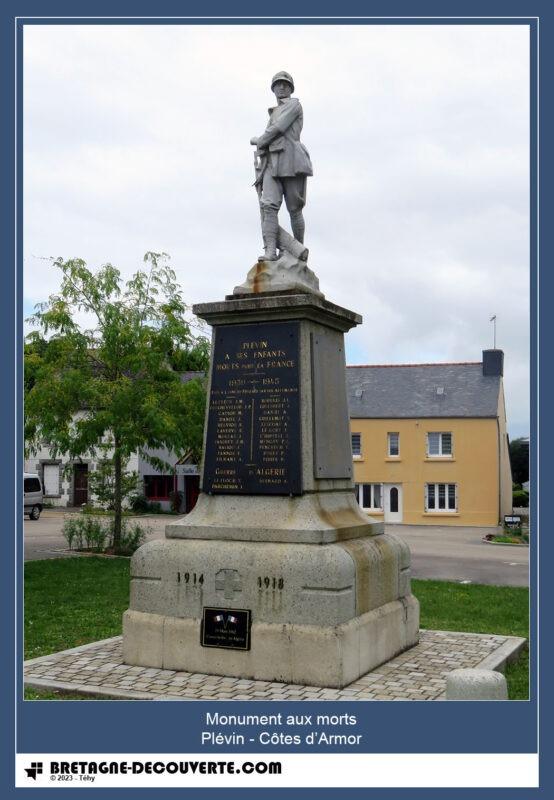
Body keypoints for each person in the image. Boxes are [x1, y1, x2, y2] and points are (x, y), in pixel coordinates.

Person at [250, 71, 313, 261]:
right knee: (268, 206)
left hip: (291, 161)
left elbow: (278, 129)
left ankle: (297, 254)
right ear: (273, 88)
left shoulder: (294, 105)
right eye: (278, 84)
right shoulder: (273, 111)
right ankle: (270, 251)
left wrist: (260, 140)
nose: (282, 87)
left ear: (291, 88)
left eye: (286, 84)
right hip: (272, 162)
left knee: (294, 209)